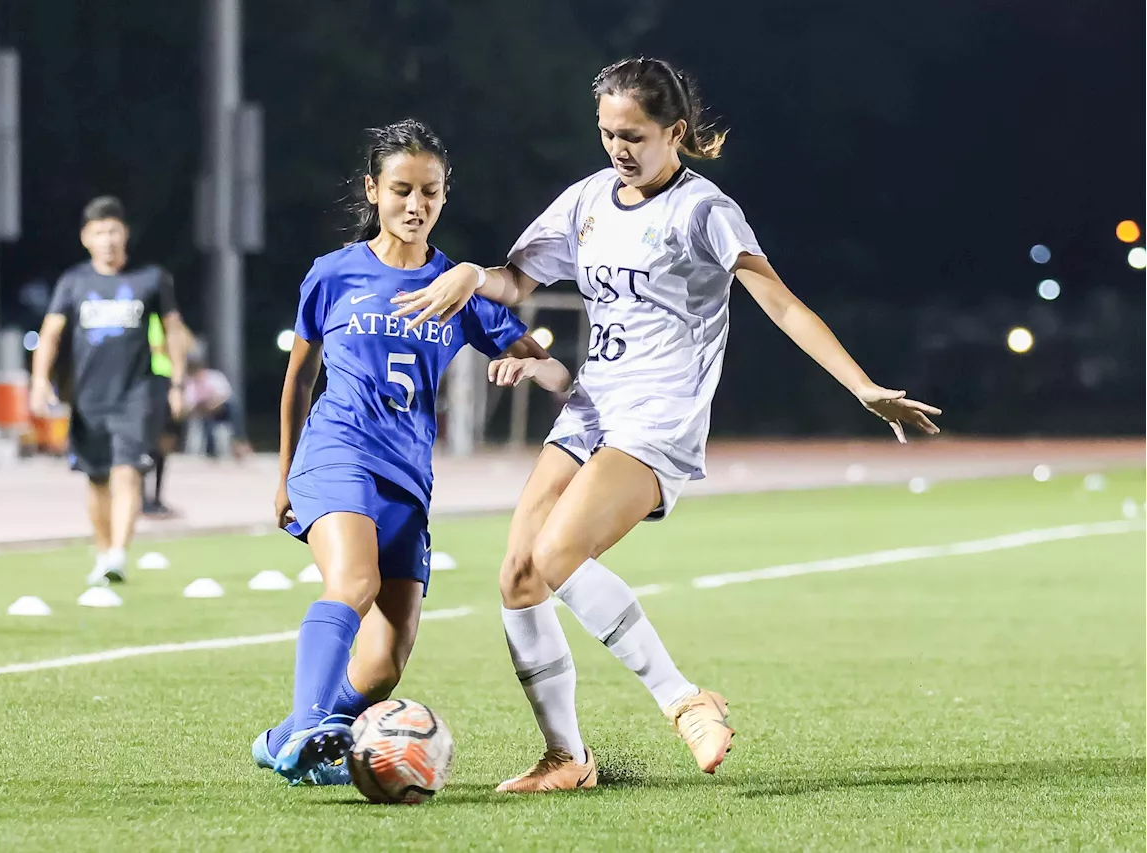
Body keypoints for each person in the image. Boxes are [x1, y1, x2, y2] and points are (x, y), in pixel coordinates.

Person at [393, 56, 943, 793]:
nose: (617, 148)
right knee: (519, 574)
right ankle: (567, 757)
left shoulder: (703, 210)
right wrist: (470, 276)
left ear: (674, 131)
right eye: (606, 132)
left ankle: (684, 699)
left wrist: (863, 384)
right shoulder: (588, 199)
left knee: (556, 555)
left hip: (657, 414)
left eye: (633, 135)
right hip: (593, 407)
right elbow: (517, 279)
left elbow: (778, 302)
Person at [252, 119, 571, 787]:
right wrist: (284, 475)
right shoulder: (334, 274)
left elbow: (553, 372)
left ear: (444, 195)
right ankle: (311, 723)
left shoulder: (460, 291)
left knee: (382, 665)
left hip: (407, 480)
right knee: (354, 583)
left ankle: (286, 739)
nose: (414, 204)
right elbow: (299, 380)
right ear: (373, 190)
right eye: (400, 189)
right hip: (337, 452)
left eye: (429, 191)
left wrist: (530, 370)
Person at [30, 196, 190, 586]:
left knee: (126, 470)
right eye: (99, 232)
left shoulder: (151, 278)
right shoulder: (73, 281)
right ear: (86, 237)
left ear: (125, 233)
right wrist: (39, 382)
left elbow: (174, 331)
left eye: (113, 230)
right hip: (87, 399)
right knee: (97, 478)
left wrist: (178, 383)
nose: (107, 239)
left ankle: (118, 552)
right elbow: (50, 335)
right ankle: (103, 554)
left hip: (137, 393)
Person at [143, 313, 189, 518]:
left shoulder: (170, 319)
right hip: (149, 381)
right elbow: (154, 347)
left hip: (168, 382)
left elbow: (187, 344)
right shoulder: (149, 317)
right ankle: (143, 499)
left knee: (164, 445)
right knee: (147, 444)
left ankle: (157, 497)